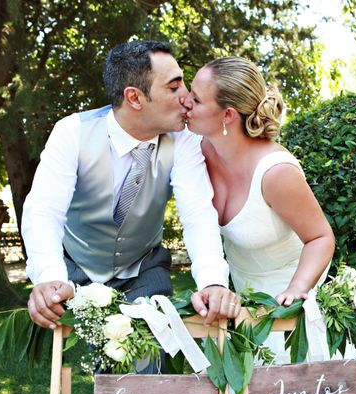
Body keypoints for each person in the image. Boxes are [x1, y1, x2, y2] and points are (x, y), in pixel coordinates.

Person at [22, 41, 241, 332]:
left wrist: (212, 282)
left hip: (143, 268)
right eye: (174, 87)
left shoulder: (185, 141)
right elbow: (44, 209)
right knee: (103, 363)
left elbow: (198, 213)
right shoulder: (72, 132)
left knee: (150, 363)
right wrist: (48, 276)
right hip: (77, 265)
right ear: (135, 98)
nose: (188, 98)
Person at [183, 56, 336, 360]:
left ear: (227, 115)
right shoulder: (195, 150)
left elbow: (321, 238)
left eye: (196, 99)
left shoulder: (275, 172)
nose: (185, 101)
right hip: (240, 302)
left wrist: (296, 291)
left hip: (285, 302)